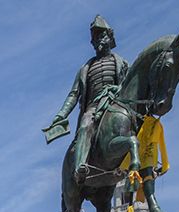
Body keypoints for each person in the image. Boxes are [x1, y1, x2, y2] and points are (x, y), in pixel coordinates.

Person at [46, 15, 128, 184]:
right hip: (94, 108)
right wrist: (61, 114)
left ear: (110, 37)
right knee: (85, 125)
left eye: (101, 35)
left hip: (116, 105)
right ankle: (80, 166)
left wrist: (117, 89)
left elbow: (128, 87)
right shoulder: (86, 68)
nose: (97, 40)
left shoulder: (121, 63)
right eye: (94, 38)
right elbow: (74, 94)